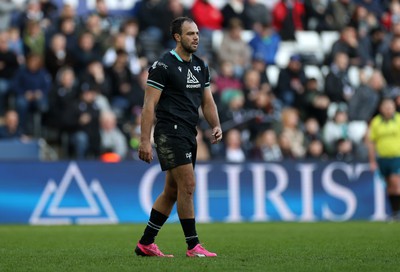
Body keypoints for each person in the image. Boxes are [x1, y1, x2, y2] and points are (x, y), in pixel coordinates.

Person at [135, 17, 222, 258]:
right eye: (190, 33)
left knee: (173, 191)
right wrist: (144, 140)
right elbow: (148, 105)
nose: (196, 37)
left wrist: (215, 124)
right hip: (169, 131)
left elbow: (208, 101)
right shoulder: (163, 66)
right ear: (177, 37)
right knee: (188, 185)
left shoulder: (200, 66)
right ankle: (193, 245)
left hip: (188, 132)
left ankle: (146, 243)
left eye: (197, 33)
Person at [367, 98, 400, 221]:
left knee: (395, 182)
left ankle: (397, 212)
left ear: (394, 108)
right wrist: (372, 160)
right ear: (381, 108)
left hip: (397, 157)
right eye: (385, 107)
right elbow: (371, 143)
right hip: (382, 158)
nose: (388, 109)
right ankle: (395, 212)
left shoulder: (399, 120)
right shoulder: (376, 122)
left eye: (390, 106)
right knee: (389, 186)